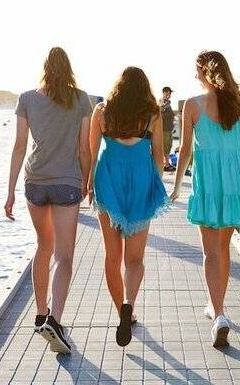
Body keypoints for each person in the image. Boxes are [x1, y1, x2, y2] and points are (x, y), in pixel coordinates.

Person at [169, 50, 240, 348]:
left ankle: (219, 313)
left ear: (205, 71)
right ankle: (217, 307)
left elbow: (185, 150)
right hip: (236, 181)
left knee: (210, 252)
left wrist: (176, 186)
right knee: (223, 248)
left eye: (196, 70)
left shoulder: (192, 105)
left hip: (209, 182)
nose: (194, 76)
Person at [5, 47, 92, 355]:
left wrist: (10, 191)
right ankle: (54, 320)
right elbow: (84, 148)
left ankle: (41, 314)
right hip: (66, 182)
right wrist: (87, 182)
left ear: (45, 68)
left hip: (35, 182)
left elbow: (19, 146)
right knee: (64, 256)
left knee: (43, 247)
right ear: (68, 69)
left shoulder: (27, 99)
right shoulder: (81, 99)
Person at [88, 67, 171, 347]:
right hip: (140, 181)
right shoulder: (152, 113)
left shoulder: (102, 111)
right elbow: (159, 156)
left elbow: (92, 154)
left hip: (108, 180)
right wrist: (155, 184)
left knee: (112, 256)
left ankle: (121, 312)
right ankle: (129, 304)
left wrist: (89, 185)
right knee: (134, 260)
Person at [160, 86, 176, 171]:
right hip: (165, 129)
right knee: (166, 146)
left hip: (168, 129)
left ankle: (166, 163)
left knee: (168, 146)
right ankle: (166, 164)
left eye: (170, 93)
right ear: (164, 92)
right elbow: (160, 114)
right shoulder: (163, 102)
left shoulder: (167, 103)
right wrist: (171, 114)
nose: (169, 95)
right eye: (168, 93)